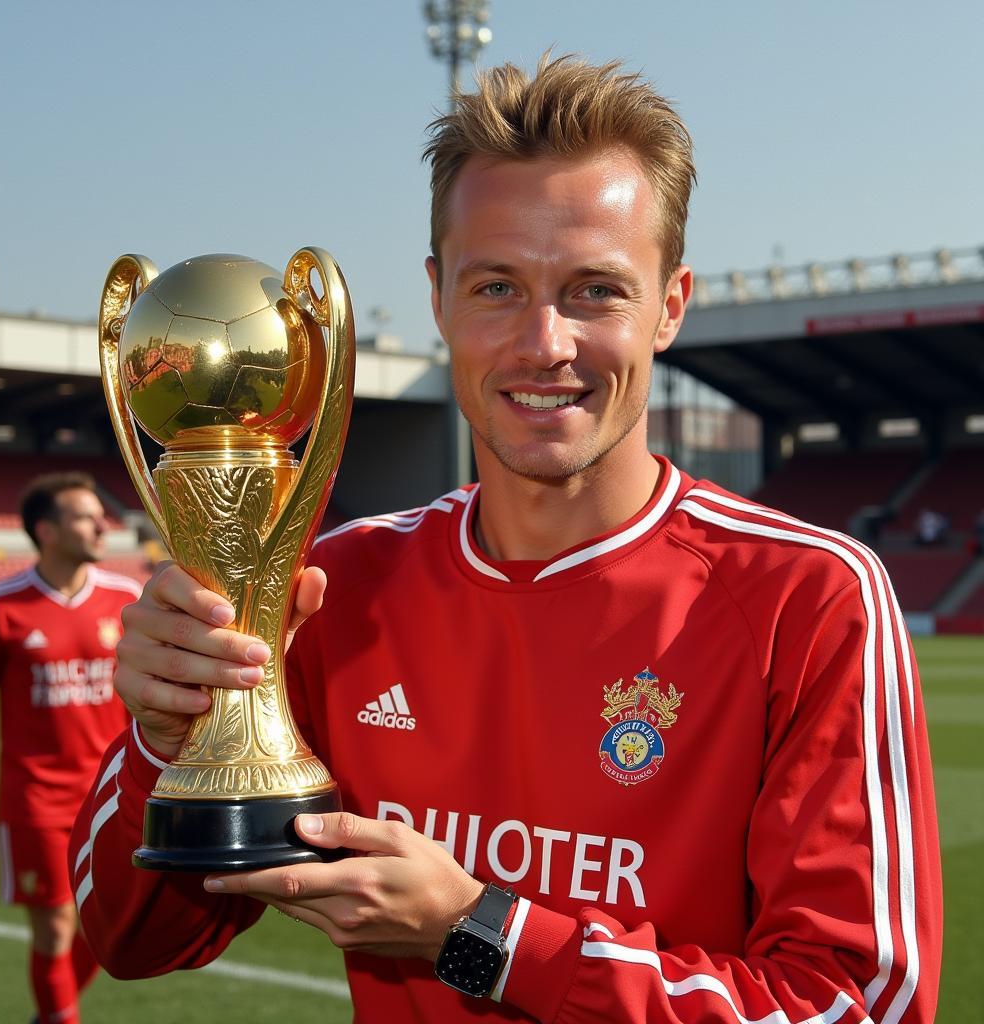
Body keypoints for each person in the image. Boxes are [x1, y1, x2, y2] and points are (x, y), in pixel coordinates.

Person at [70, 56, 942, 1023]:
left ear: (672, 306)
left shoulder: (808, 597)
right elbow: (133, 939)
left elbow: (858, 1005)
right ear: (439, 298)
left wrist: (482, 933)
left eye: (596, 290)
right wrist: (168, 737)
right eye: (497, 287)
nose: (544, 343)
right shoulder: (335, 586)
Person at [0, 472, 141, 1024]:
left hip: (113, 793)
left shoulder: (126, 598)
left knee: (115, 927)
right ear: (47, 530)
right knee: (56, 925)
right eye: (84, 517)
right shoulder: (1, 604)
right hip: (35, 797)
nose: (101, 526)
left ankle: (53, 1010)